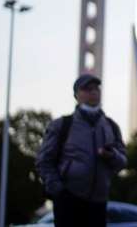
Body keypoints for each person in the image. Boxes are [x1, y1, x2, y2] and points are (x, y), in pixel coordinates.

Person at [36, 74, 126, 227]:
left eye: (96, 88)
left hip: (98, 201)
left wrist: (112, 155)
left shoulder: (110, 126)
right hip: (68, 200)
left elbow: (122, 162)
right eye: (87, 89)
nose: (93, 92)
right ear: (76, 95)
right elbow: (43, 161)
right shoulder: (62, 125)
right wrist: (59, 191)